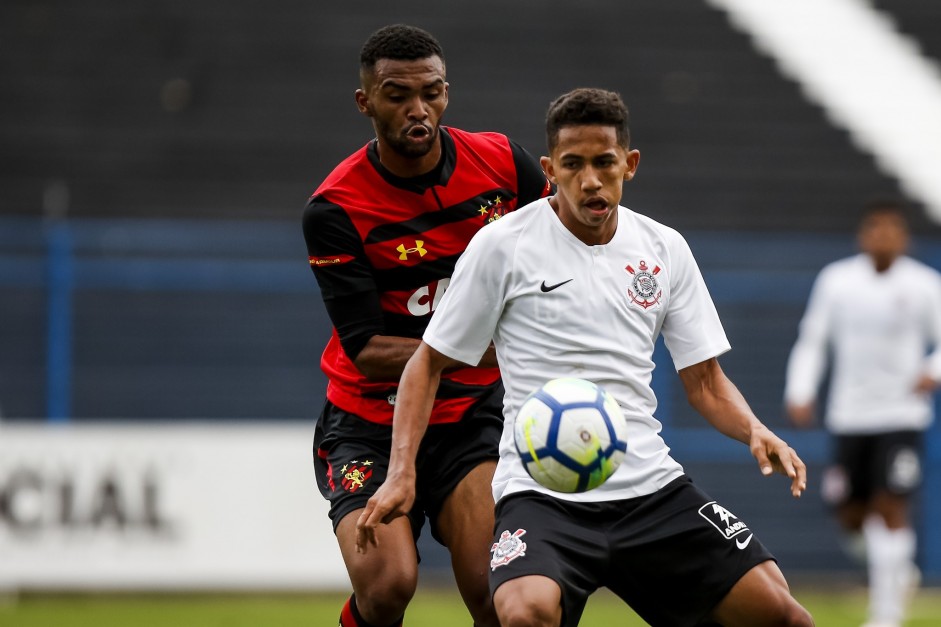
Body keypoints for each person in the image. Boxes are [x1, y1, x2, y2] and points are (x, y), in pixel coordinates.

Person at [358, 87, 814, 626]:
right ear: (550, 168)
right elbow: (427, 364)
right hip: (541, 493)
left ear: (631, 164)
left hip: (650, 489)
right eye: (573, 165)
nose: (591, 180)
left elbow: (707, 383)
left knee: (783, 615)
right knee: (524, 613)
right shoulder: (503, 245)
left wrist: (755, 430)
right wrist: (401, 471)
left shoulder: (664, 248)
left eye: (604, 163)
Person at [302, 23, 551, 627]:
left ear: (447, 92)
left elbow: (559, 249)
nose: (418, 109)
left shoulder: (502, 165)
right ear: (366, 102)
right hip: (367, 422)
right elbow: (365, 349)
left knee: (495, 591)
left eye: (431, 92)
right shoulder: (335, 209)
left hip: (468, 418)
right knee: (388, 586)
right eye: (396, 95)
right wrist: (486, 348)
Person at [785, 200, 941, 627]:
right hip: (850, 417)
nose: (884, 237)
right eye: (876, 228)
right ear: (864, 235)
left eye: (893, 229)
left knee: (892, 506)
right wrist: (800, 388)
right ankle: (896, 568)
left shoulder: (924, 285)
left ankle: (885, 613)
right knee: (852, 516)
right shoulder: (837, 282)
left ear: (904, 237)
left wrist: (932, 370)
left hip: (902, 416)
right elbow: (813, 340)